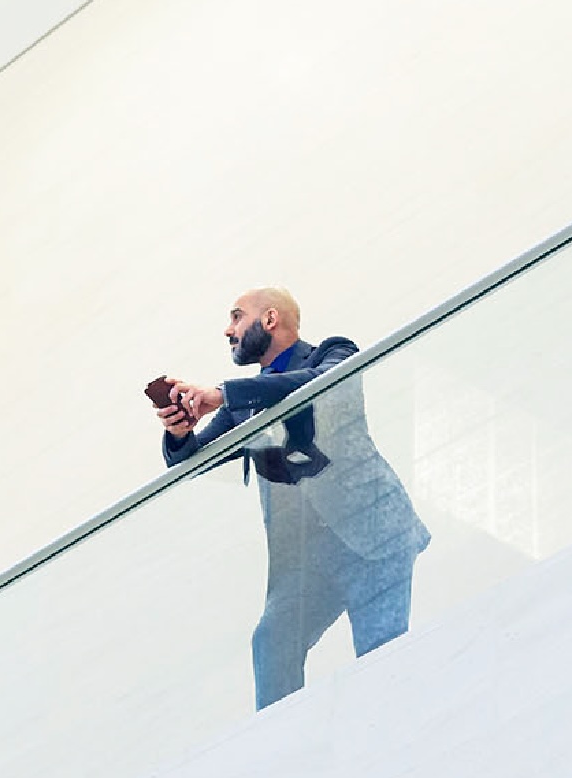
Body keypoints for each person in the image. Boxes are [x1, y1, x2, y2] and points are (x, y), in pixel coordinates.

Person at [153, 287, 430, 710]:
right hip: (307, 559)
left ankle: (395, 744)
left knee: (381, 664)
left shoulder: (330, 355)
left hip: (373, 540)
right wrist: (179, 433)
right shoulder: (243, 403)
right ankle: (278, 748)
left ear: (269, 320)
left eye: (236, 317)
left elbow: (316, 386)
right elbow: (191, 461)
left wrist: (224, 393)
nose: (228, 331)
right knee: (272, 640)